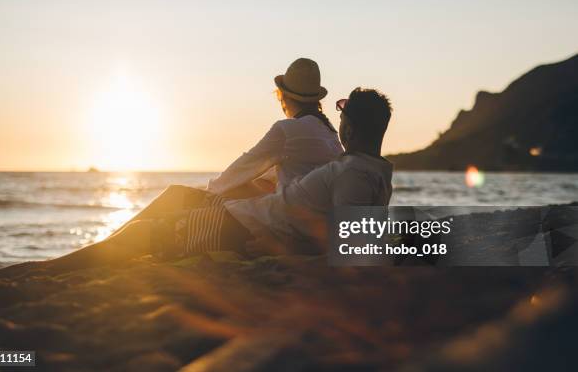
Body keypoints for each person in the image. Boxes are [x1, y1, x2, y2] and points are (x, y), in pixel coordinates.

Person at [24, 88, 392, 273]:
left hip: (242, 227)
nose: (338, 124)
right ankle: (55, 267)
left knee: (143, 235)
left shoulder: (353, 175)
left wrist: (277, 251)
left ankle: (47, 270)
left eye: (344, 120)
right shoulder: (375, 173)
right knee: (150, 231)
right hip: (250, 219)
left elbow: (354, 255)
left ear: (352, 128)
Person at [107, 57, 342, 231]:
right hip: (310, 222)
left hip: (287, 223)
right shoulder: (328, 133)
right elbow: (270, 176)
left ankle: (115, 239)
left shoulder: (288, 130)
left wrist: (208, 192)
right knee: (246, 187)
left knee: (175, 195)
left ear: (285, 96)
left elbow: (244, 166)